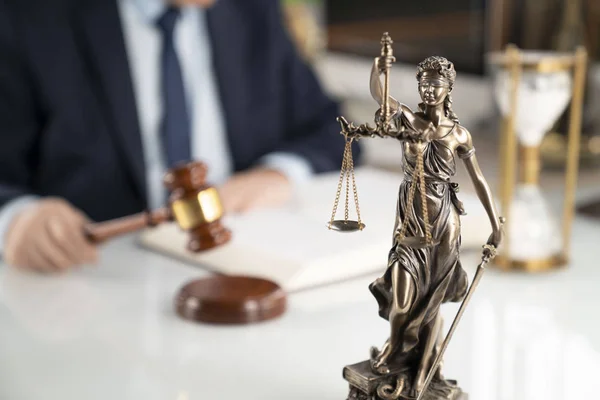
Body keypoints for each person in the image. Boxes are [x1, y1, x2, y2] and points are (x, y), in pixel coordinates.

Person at [0, 0, 356, 272]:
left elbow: (330, 126)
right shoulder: (27, 17)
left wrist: (276, 173)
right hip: (92, 285)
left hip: (242, 264)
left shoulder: (252, 9)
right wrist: (15, 217)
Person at [341, 55, 502, 397]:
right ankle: (396, 352)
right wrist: (378, 64)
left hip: (444, 224)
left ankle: (422, 367)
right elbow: (378, 94)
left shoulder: (459, 134)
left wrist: (494, 224)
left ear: (449, 88)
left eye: (436, 85)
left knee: (431, 301)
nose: (429, 91)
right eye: (424, 84)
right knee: (402, 300)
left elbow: (480, 181)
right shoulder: (409, 120)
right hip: (411, 220)